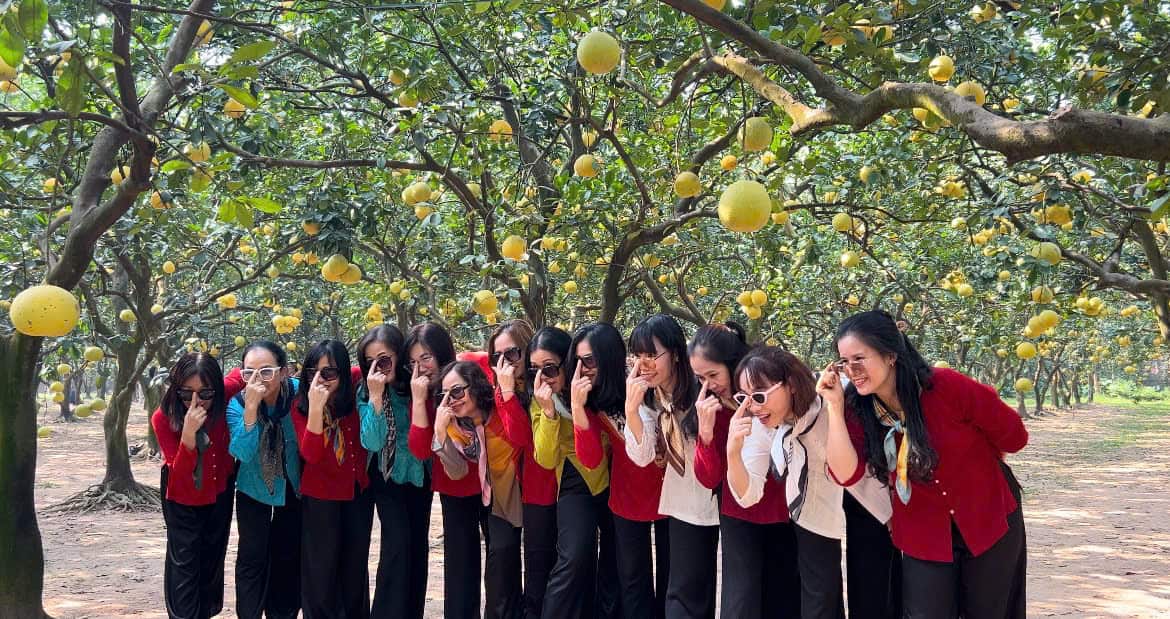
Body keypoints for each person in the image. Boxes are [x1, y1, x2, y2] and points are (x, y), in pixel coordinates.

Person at [822, 310, 1028, 618]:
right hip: (923, 532)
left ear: (890, 355)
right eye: (844, 362)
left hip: (988, 519)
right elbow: (844, 473)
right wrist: (835, 408)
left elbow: (1015, 437)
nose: (851, 370)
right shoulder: (859, 410)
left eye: (859, 358)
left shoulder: (946, 387)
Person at [728, 345, 896, 618]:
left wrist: (891, 517)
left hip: (865, 491)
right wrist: (732, 453)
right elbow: (749, 495)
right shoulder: (762, 423)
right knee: (819, 594)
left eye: (759, 395)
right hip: (812, 500)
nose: (752, 407)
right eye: (743, 398)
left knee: (872, 587)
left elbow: (863, 472)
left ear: (791, 385)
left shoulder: (831, 402)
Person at [688, 325, 801, 619]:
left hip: (783, 507)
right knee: (741, 599)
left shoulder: (765, 395)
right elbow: (709, 478)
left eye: (713, 375)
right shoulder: (709, 408)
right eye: (700, 378)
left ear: (732, 363)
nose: (708, 385)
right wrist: (707, 433)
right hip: (738, 509)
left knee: (783, 594)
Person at [570, 322, 669, 619]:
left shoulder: (645, 378)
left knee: (671, 577)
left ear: (609, 355)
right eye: (577, 361)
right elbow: (590, 458)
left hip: (669, 491)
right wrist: (577, 407)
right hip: (627, 494)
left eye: (589, 360)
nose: (583, 369)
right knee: (632, 582)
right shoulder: (592, 398)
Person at [623, 314, 716, 619]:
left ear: (676, 354)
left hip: (724, 495)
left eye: (652, 355)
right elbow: (642, 455)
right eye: (637, 355)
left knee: (710, 589)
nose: (643, 364)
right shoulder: (651, 398)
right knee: (684, 591)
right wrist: (631, 410)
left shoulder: (704, 388)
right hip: (684, 500)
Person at [429, 359, 533, 619]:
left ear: (475, 385)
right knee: (500, 558)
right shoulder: (455, 425)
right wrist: (440, 434)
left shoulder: (500, 408)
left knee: (505, 555)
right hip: (490, 497)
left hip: (519, 490)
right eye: (445, 395)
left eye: (457, 391)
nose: (451, 400)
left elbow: (522, 438)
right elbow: (458, 471)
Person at [291, 340, 380, 619]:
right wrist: (317, 409)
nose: (320, 380)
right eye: (312, 373)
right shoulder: (301, 406)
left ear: (342, 373)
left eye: (329, 373)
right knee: (321, 568)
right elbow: (311, 455)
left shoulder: (355, 386)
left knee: (354, 566)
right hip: (320, 495)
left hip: (357, 492)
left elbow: (378, 364)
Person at [530, 326, 612, 619]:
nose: (542, 378)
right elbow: (546, 457)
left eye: (549, 369)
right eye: (535, 371)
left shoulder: (593, 385)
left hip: (612, 479)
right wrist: (549, 412)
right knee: (573, 558)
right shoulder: (540, 400)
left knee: (613, 563)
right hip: (573, 481)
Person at [404, 323, 481, 619]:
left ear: (441, 353)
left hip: (492, 478)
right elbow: (422, 450)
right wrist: (421, 402)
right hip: (454, 483)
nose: (420, 367)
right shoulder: (420, 393)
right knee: (460, 564)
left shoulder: (467, 373)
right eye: (412, 361)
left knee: (501, 557)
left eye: (426, 357)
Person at [356, 325, 432, 619]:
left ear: (400, 356)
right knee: (396, 546)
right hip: (385, 477)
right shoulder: (366, 390)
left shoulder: (416, 384)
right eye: (370, 362)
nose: (377, 367)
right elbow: (371, 442)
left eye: (384, 360)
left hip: (419, 475)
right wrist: (376, 398)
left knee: (417, 548)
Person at [152, 352, 234, 619]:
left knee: (211, 558)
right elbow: (180, 472)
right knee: (184, 563)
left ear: (217, 390)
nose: (196, 402)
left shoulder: (224, 397)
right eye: (187, 394)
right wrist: (187, 435)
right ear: (176, 391)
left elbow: (245, 375)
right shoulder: (163, 418)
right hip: (182, 493)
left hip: (218, 491)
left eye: (205, 393)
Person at [226, 341, 302, 619]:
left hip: (294, 488)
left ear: (284, 372)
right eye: (249, 372)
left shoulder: (299, 394)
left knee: (288, 554)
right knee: (252, 557)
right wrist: (250, 411)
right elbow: (242, 453)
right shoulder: (236, 404)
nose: (258, 379)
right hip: (252, 488)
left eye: (267, 371)